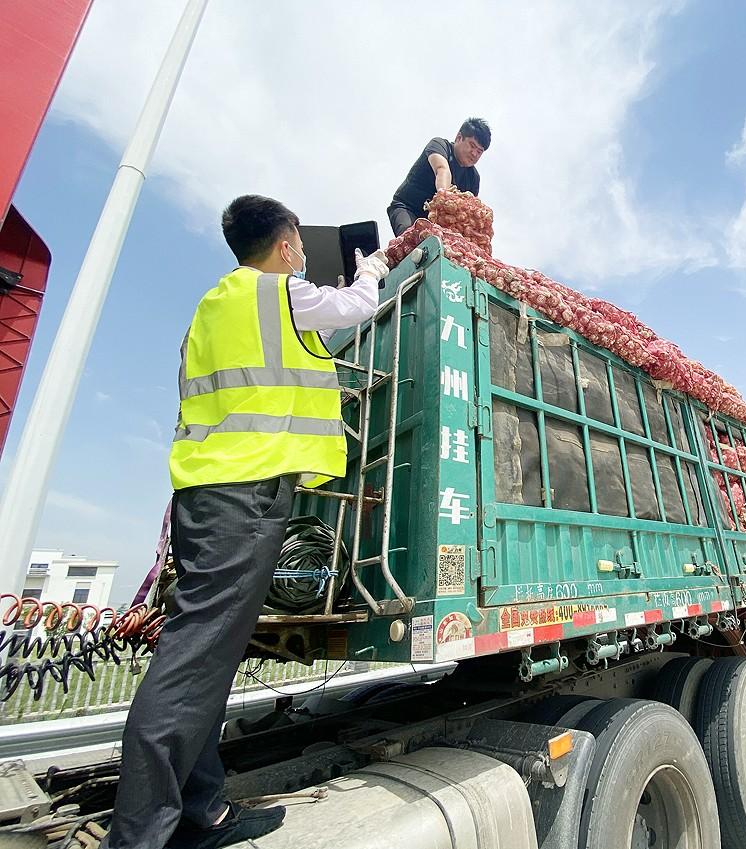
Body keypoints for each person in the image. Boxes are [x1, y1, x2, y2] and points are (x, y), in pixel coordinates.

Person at [102, 195, 390, 849]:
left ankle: (201, 810)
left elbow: (237, 392)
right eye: (298, 248)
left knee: (207, 658)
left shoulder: (212, 308)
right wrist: (368, 267)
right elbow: (356, 307)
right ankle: (140, 835)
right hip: (245, 498)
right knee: (191, 664)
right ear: (288, 245)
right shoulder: (280, 294)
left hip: (204, 497)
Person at [387, 117, 491, 237]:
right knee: (412, 241)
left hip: (435, 224)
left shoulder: (473, 178)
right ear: (459, 137)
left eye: (479, 151)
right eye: (472, 145)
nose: (474, 153)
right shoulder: (439, 145)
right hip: (407, 208)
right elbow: (442, 169)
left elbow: (469, 212)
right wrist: (445, 197)